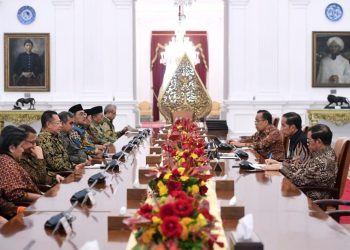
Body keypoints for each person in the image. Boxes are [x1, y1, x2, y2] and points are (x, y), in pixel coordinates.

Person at [265, 124, 337, 200]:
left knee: (276, 194)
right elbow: (303, 168)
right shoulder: (322, 152)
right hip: (307, 188)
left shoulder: (323, 161)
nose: (307, 144)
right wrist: (280, 164)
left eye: (309, 141)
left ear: (318, 141)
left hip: (312, 197)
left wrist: (281, 168)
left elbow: (298, 180)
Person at [0, 126, 41, 203]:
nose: (23, 150)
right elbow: (16, 194)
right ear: (12, 148)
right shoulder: (7, 164)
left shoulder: (8, 159)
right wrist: (43, 198)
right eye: (21, 146)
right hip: (26, 207)